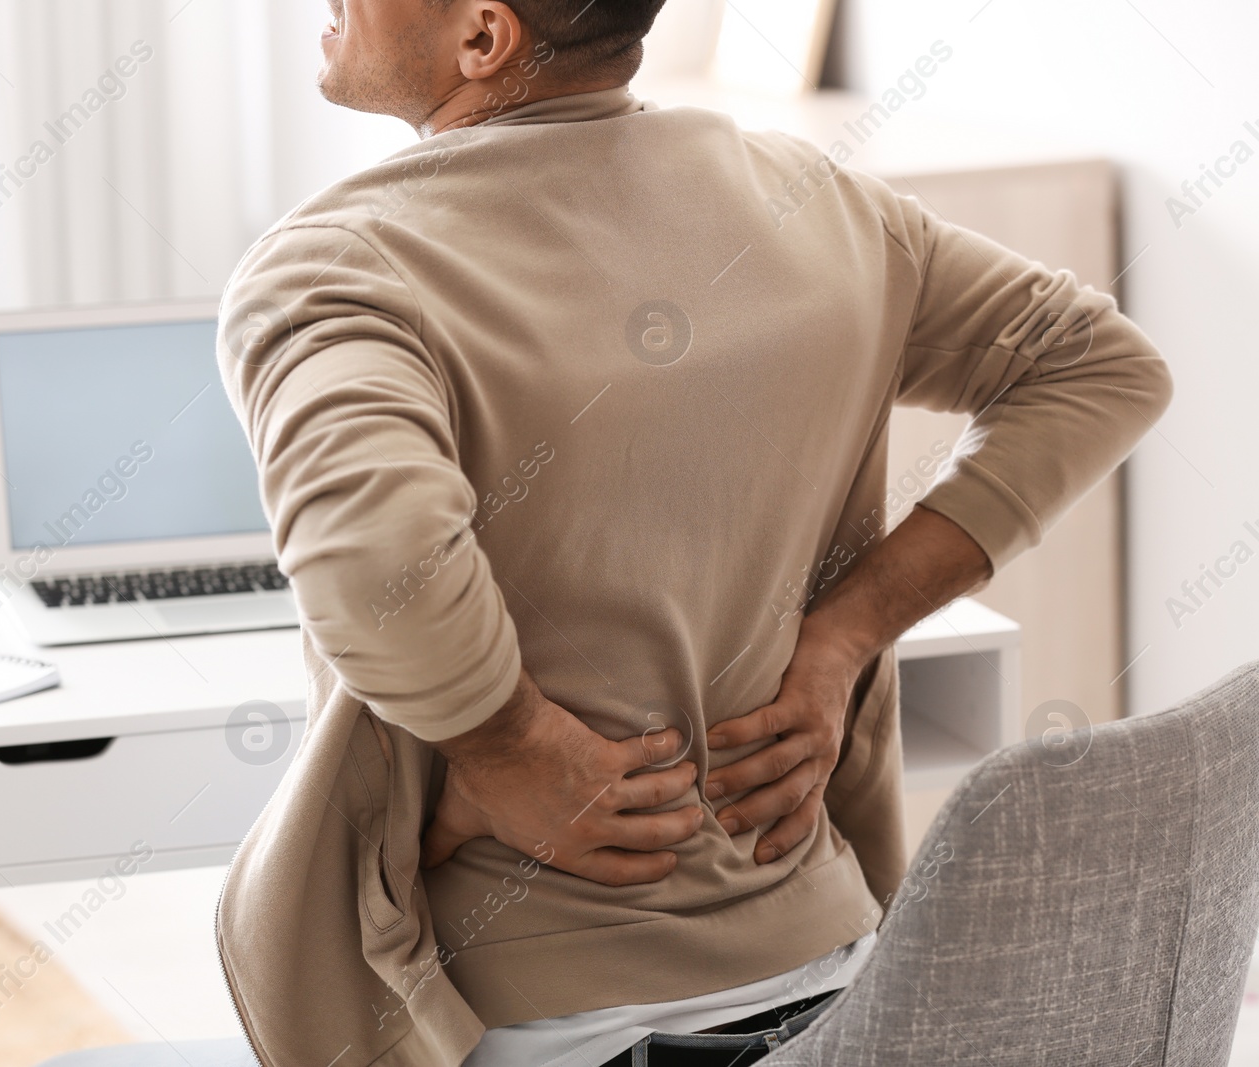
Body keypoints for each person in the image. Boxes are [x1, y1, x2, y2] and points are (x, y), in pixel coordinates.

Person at [212, 2, 1173, 1065]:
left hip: (535, 1016)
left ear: (483, 40)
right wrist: (845, 629)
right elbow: (1100, 365)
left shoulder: (338, 268)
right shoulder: (821, 203)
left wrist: (506, 742)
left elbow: (375, 563)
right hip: (842, 982)